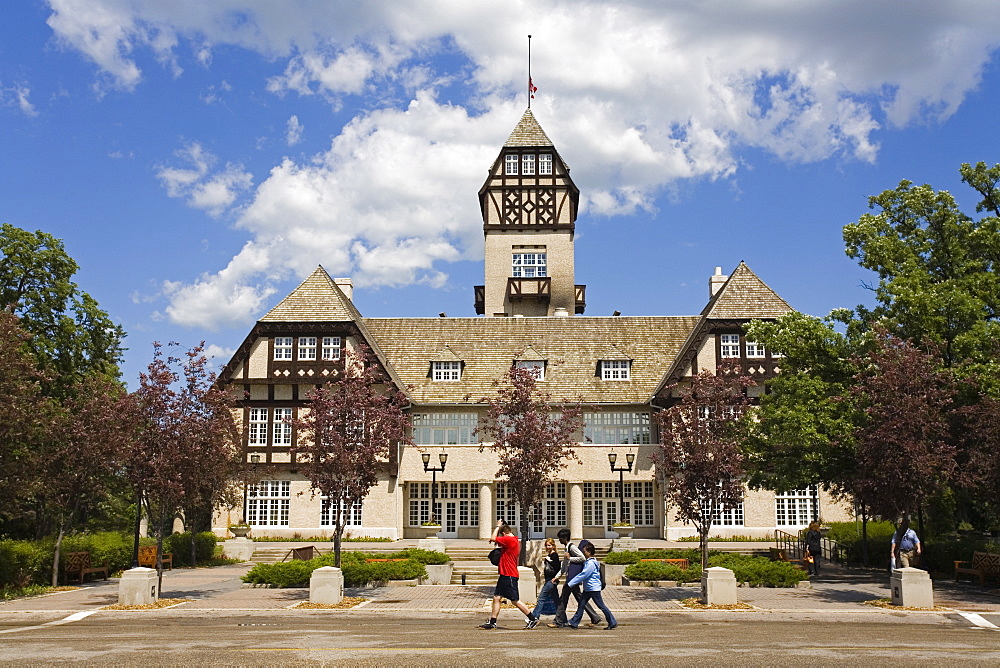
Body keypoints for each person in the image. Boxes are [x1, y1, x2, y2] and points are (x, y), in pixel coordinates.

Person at [479, 520, 539, 630]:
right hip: (505, 574)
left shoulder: (509, 539)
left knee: (514, 600)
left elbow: (492, 538)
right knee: (497, 597)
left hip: (509, 575)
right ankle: (493, 622)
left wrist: (497, 527)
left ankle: (532, 618)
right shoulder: (513, 539)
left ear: (503, 534)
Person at [549, 528, 603, 628]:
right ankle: (595, 617)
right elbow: (564, 566)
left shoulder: (572, 547)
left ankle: (558, 621)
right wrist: (557, 576)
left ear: (565, 538)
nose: (559, 540)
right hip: (571, 578)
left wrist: (570, 558)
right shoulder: (567, 548)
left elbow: (582, 558)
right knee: (580, 599)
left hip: (573, 579)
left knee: (563, 599)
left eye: (560, 538)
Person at [565, 542, 618, 630]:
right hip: (588, 588)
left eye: (584, 551)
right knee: (581, 605)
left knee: (601, 606)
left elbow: (584, 574)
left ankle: (612, 622)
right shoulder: (591, 562)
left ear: (589, 552)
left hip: (593, 588)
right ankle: (574, 622)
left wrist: (571, 583)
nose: (583, 553)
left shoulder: (590, 564)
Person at [531, 538, 561, 621]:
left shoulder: (554, 555)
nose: (548, 547)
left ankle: (534, 618)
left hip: (551, 579)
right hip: (548, 579)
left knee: (541, 598)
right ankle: (562, 618)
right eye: (547, 545)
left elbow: (557, 566)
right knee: (556, 600)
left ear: (553, 546)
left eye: (550, 545)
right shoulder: (550, 555)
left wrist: (549, 560)